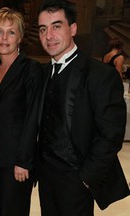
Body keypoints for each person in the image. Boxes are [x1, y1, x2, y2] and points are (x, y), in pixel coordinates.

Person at [37, 1, 130, 215]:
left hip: (77, 179)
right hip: (46, 178)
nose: (48, 35)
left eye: (56, 26)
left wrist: (87, 178)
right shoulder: (41, 73)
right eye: (43, 29)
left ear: (73, 29)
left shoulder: (99, 75)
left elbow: (111, 134)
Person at [0, 7, 43, 216]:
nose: (4, 38)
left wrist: (23, 161)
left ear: (20, 36)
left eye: (11, 32)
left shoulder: (31, 69)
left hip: (17, 162)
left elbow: (33, 118)